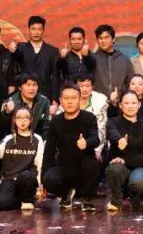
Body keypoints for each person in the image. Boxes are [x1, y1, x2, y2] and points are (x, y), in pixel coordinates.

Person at [41, 83, 101, 211]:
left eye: (73, 98)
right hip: (64, 166)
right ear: (60, 100)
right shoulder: (56, 121)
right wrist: (43, 180)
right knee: (49, 180)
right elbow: (49, 151)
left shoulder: (89, 117)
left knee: (93, 164)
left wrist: (86, 143)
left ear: (80, 99)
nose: (69, 102)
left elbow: (96, 139)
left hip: (84, 166)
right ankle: (66, 194)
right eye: (66, 98)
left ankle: (87, 198)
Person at [105, 90, 143, 211]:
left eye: (133, 103)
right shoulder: (113, 122)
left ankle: (134, 196)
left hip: (139, 166)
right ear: (120, 105)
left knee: (141, 183)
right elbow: (112, 133)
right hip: (118, 167)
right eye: (126, 103)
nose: (130, 106)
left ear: (139, 105)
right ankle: (116, 200)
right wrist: (119, 140)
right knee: (115, 169)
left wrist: (125, 160)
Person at [0, 107, 43, 211]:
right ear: (14, 120)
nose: (23, 121)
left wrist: (40, 187)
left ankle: (28, 199)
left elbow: (40, 164)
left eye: (26, 117)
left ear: (31, 120)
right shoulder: (9, 139)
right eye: (19, 117)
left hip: (27, 178)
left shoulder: (37, 139)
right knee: (1, 204)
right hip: (10, 178)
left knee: (27, 176)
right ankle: (18, 201)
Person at [11, 15, 61, 104]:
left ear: (43, 30)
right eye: (33, 29)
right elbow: (15, 63)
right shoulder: (20, 48)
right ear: (28, 30)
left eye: (39, 29)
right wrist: (13, 52)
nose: (36, 32)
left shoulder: (53, 51)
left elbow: (55, 77)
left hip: (46, 96)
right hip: (24, 96)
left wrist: (55, 99)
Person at [0, 73, 52, 139]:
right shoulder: (10, 101)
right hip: (15, 139)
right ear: (20, 87)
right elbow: (0, 128)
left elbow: (46, 126)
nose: (32, 88)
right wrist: (7, 113)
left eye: (34, 85)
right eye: (28, 85)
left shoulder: (44, 101)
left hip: (37, 139)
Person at [92, 23, 134, 99]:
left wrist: (120, 95)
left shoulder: (124, 60)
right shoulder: (92, 59)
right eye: (100, 38)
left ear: (113, 39)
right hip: (99, 103)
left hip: (120, 103)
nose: (103, 41)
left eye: (106, 37)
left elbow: (131, 83)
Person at [78, 74, 110, 158]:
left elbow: (101, 128)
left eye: (87, 86)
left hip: (94, 143)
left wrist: (97, 150)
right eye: (81, 86)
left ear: (92, 87)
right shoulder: (70, 98)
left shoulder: (101, 100)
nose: (84, 89)